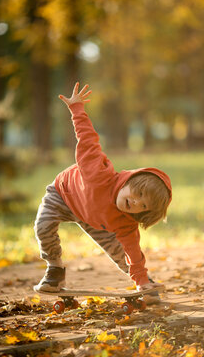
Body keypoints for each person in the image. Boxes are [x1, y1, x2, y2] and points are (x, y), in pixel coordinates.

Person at [34, 82, 172, 302]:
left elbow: (133, 252)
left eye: (143, 206)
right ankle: (55, 270)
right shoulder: (98, 173)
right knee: (43, 226)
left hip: (93, 217)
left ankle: (143, 282)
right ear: (127, 180)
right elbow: (88, 140)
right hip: (64, 194)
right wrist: (77, 109)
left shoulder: (126, 220)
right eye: (136, 194)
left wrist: (142, 282)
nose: (135, 203)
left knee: (121, 252)